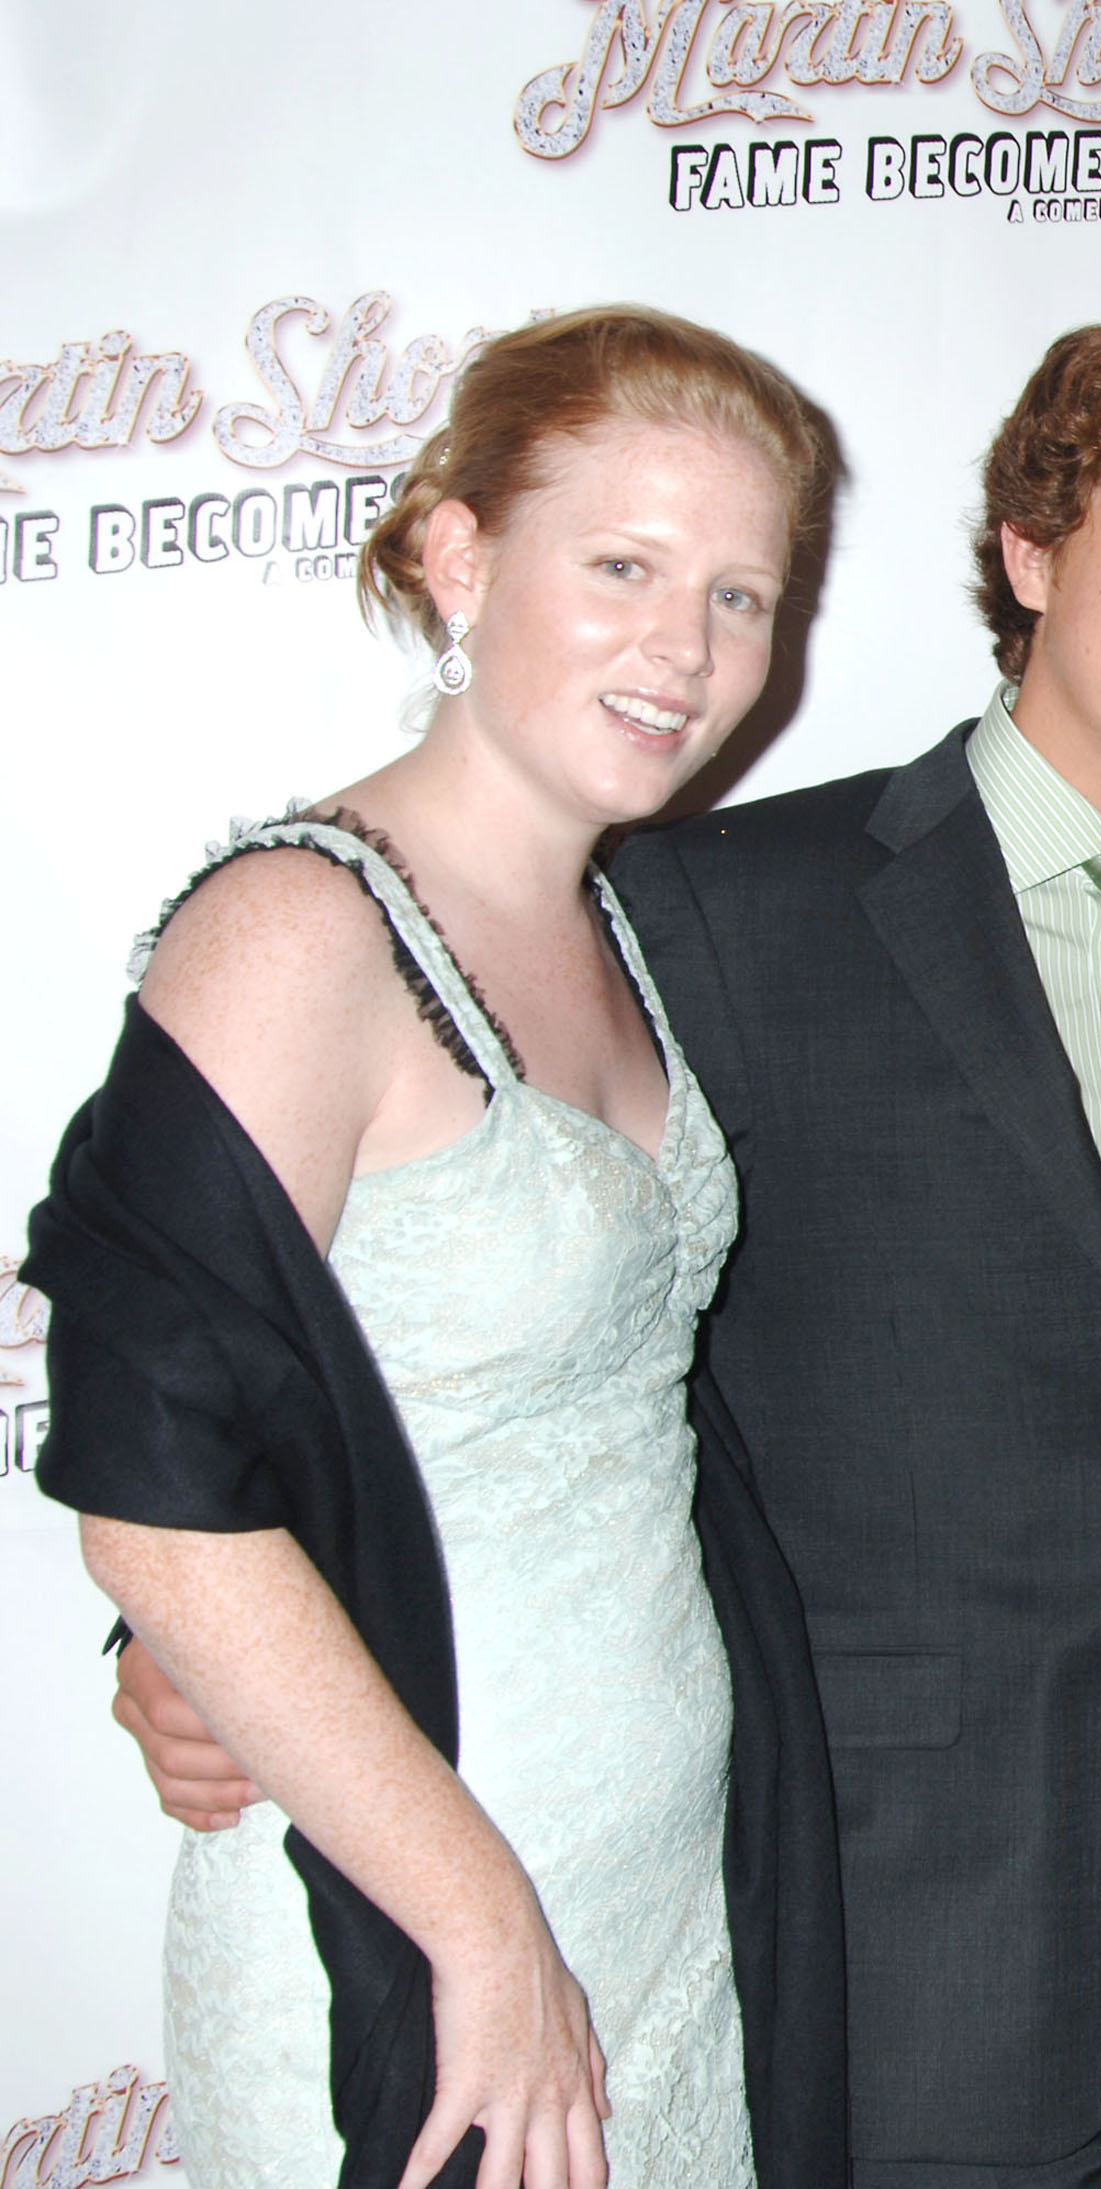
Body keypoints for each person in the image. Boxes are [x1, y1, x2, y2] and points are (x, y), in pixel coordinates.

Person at [116, 307, 1101, 2183]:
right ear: (1032, 555)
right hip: (897, 1921)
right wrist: (168, 1641)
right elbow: (409, 1295)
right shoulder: (711, 904)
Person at [36, 306, 845, 2189]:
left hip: (662, 1911)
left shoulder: (620, 922)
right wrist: (481, 1923)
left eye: (742, 595)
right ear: (459, 553)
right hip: (414, 1928)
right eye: (624, 568)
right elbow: (154, 1492)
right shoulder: (294, 933)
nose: (688, 650)